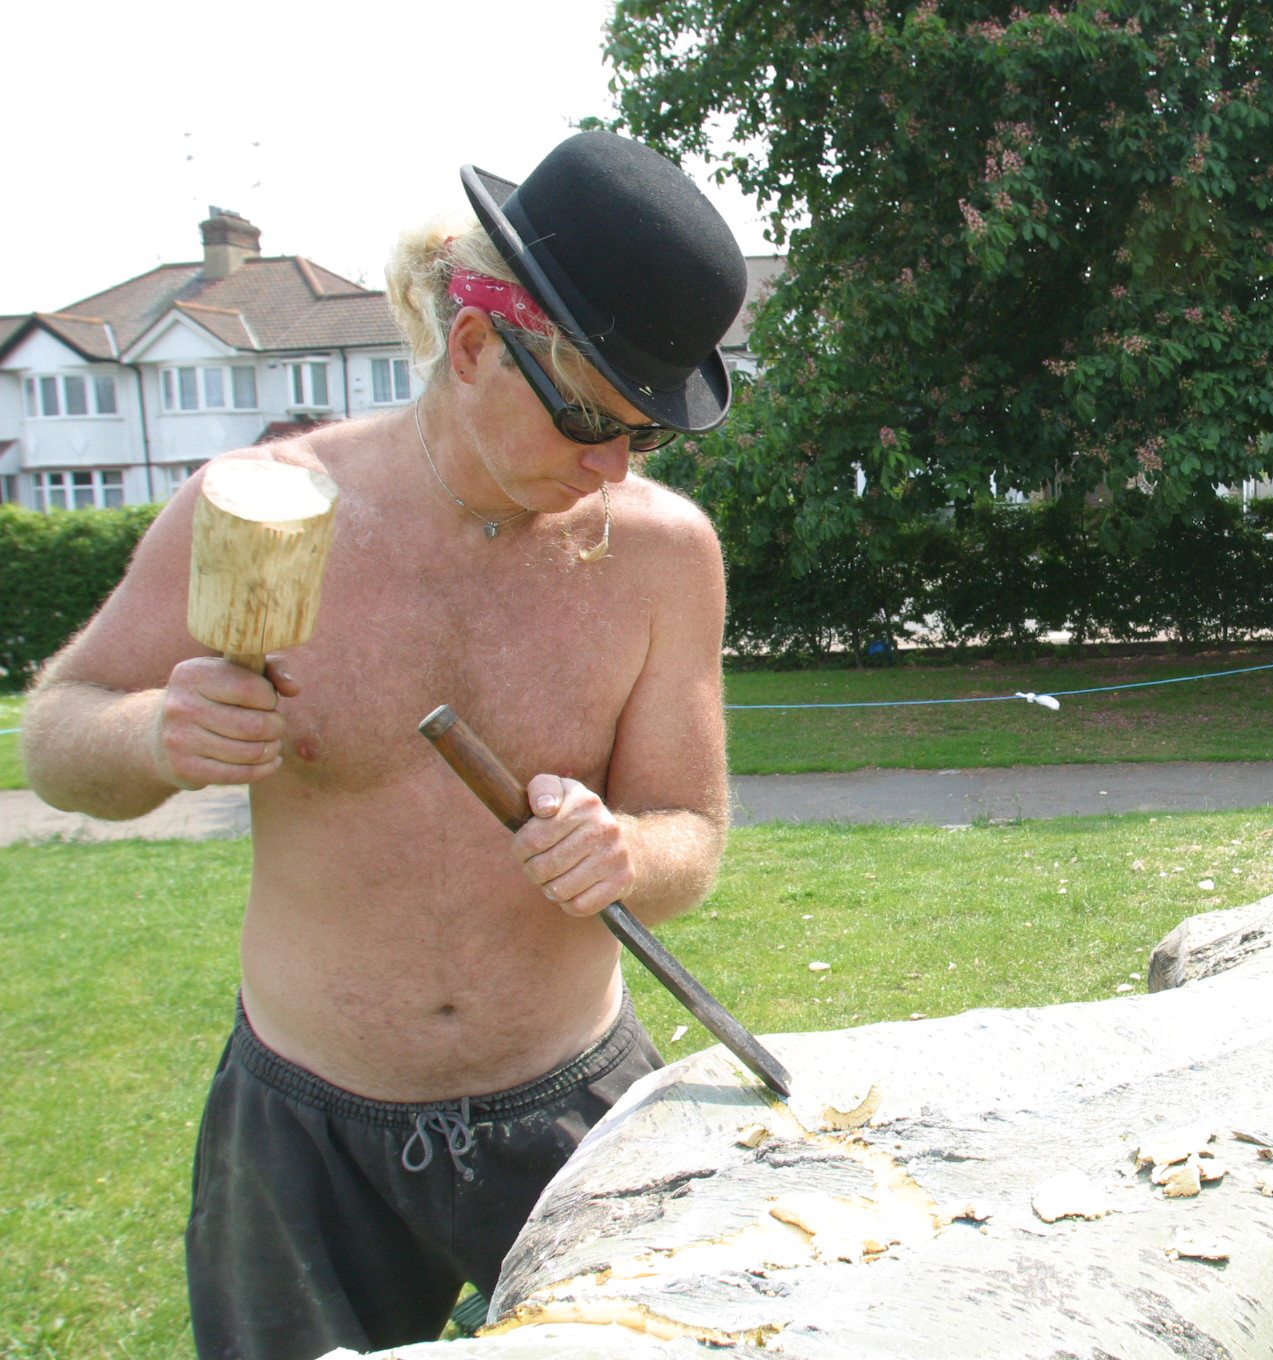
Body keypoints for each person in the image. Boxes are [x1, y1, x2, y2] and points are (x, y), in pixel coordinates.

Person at [20, 131, 748, 1359]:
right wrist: (154, 732)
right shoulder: (264, 506)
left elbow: (693, 831)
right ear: (472, 346)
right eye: (587, 416)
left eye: (644, 433)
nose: (610, 468)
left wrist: (626, 852)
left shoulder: (663, 556)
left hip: (571, 1104)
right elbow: (56, 733)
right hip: (301, 1135)